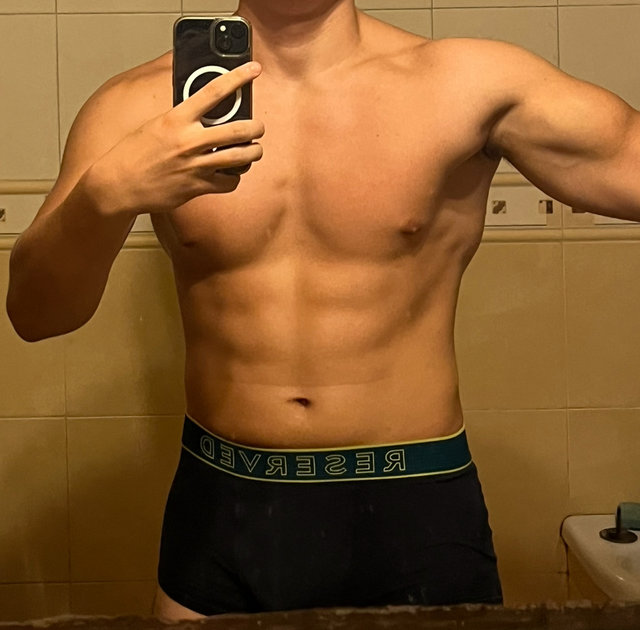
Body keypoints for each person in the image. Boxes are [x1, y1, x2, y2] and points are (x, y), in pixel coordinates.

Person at [6, 0, 640, 623]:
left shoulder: (467, 85)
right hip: (222, 504)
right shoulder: (140, 107)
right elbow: (36, 316)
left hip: (414, 503)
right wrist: (105, 196)